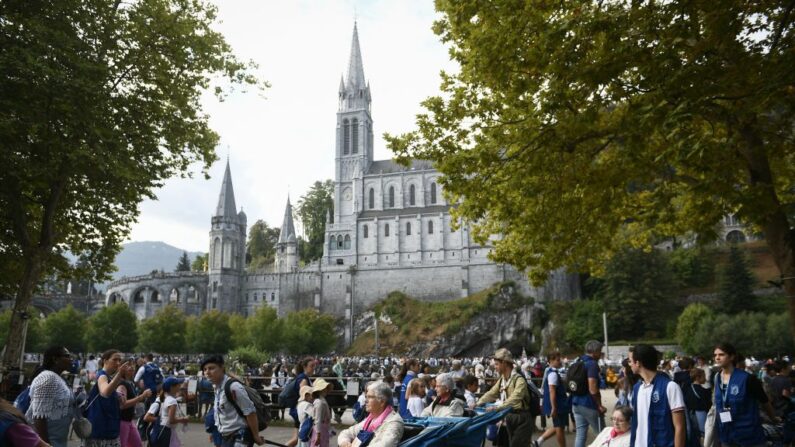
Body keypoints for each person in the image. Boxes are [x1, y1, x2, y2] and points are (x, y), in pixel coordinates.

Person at [713, 342, 777, 447]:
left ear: (732, 357)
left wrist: (773, 418)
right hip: (726, 434)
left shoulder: (748, 378)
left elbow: (764, 401)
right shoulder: (716, 378)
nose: (717, 358)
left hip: (749, 435)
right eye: (715, 355)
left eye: (721, 355)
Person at [628, 344, 686, 447]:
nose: (629, 364)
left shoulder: (670, 387)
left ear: (638, 363)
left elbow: (680, 427)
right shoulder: (637, 388)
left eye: (630, 361)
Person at [202, 355, 264, 447]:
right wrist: (216, 431)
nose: (207, 372)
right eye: (205, 369)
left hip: (240, 436)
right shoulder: (217, 387)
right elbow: (221, 413)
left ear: (222, 368)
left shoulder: (233, 387)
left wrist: (256, 436)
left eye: (211, 368)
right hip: (226, 437)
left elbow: (250, 412)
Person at [477, 348, 533, 447]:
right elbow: (492, 393)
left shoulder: (519, 379)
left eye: (497, 364)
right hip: (508, 416)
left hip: (522, 418)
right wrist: (478, 403)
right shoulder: (503, 379)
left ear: (505, 363)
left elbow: (515, 398)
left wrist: (497, 407)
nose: (495, 367)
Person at [84, 350, 134, 447]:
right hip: (100, 430)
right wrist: (119, 374)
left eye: (120, 360)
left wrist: (119, 396)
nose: (118, 363)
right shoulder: (102, 375)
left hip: (108, 429)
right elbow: (105, 392)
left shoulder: (109, 378)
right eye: (115, 359)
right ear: (105, 361)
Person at [28, 346, 75, 447]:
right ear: (55, 359)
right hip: (48, 441)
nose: (71, 359)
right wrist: (46, 444)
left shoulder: (57, 378)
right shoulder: (48, 379)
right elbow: (39, 417)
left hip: (58, 440)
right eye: (67, 356)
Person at [337, 382, 404, 447]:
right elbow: (346, 433)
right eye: (366, 397)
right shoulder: (370, 419)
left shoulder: (394, 422)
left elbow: (385, 445)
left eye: (370, 397)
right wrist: (344, 442)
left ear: (382, 402)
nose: (366, 400)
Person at [535, 352, 569, 447]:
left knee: (558, 426)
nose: (560, 361)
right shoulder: (553, 374)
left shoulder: (550, 371)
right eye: (558, 360)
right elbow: (552, 391)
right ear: (551, 361)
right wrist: (554, 407)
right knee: (559, 428)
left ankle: (538, 442)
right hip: (558, 405)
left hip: (556, 404)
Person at [117, 359, 152, 447]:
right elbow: (122, 405)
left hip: (129, 420)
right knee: (123, 445)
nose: (132, 367)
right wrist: (141, 396)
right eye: (128, 365)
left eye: (132, 365)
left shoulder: (130, 382)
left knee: (137, 444)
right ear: (121, 369)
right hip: (122, 421)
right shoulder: (122, 384)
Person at [287, 358, 315, 447]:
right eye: (311, 366)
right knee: (297, 439)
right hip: (302, 412)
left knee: (297, 439)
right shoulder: (303, 379)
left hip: (299, 411)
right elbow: (303, 395)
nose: (314, 368)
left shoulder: (304, 377)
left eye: (314, 366)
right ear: (304, 367)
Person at [158, 377, 189, 447]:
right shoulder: (172, 401)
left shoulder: (167, 398)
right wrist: (183, 419)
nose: (180, 386)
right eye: (178, 384)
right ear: (172, 387)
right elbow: (171, 420)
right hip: (167, 430)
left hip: (165, 429)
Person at [682, 368, 710, 442]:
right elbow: (708, 405)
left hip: (691, 416)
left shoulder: (687, 389)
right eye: (704, 376)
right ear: (697, 377)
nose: (705, 378)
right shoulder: (703, 391)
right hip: (702, 416)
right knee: (704, 437)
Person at [310, 379, 332, 447]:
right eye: (324, 388)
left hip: (323, 428)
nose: (326, 389)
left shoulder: (322, 400)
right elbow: (318, 419)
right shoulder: (319, 402)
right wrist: (318, 435)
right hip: (320, 429)